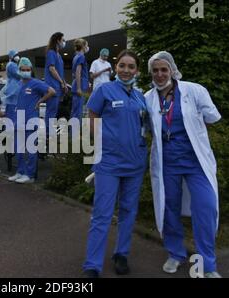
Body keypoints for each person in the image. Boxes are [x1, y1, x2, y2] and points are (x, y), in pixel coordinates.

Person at [145, 51, 222, 278]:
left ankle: (207, 264)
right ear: (151, 73)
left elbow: (212, 118)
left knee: (205, 207)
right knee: (169, 207)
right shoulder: (148, 97)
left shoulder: (194, 90)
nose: (160, 74)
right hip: (167, 161)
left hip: (195, 161)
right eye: (155, 71)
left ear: (172, 70)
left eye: (164, 70)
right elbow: (145, 129)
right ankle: (175, 253)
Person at [82, 50, 148, 278]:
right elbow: (91, 114)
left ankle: (121, 254)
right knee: (102, 214)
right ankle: (92, 265)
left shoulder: (141, 96)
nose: (126, 70)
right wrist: (100, 142)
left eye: (131, 66)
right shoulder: (105, 90)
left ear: (137, 70)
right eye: (122, 65)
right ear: (115, 67)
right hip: (108, 163)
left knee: (129, 211)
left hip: (135, 163)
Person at [8, 57, 55, 184]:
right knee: (19, 148)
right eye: (23, 69)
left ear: (31, 70)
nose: (25, 71)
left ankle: (30, 175)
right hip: (19, 119)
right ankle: (20, 171)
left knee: (30, 148)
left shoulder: (35, 83)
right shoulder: (19, 84)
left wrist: (39, 101)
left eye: (28, 69)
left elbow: (52, 91)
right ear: (19, 70)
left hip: (30, 119)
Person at [44, 32, 68, 138]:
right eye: (63, 40)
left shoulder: (58, 55)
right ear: (58, 40)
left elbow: (59, 71)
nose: (64, 42)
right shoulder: (51, 53)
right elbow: (52, 69)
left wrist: (64, 83)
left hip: (57, 87)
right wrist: (61, 82)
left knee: (53, 113)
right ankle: (47, 136)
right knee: (50, 112)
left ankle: (49, 136)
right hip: (52, 87)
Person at [71, 38, 90, 137]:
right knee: (77, 112)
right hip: (79, 87)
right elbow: (78, 72)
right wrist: (79, 87)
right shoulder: (81, 57)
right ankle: (74, 136)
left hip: (78, 85)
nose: (87, 47)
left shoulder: (76, 57)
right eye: (86, 45)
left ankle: (72, 135)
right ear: (83, 46)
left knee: (75, 111)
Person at [4, 50, 21, 126]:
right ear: (11, 57)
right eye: (15, 55)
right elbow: (20, 74)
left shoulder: (14, 65)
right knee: (12, 118)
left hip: (14, 94)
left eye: (17, 54)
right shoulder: (11, 65)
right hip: (12, 93)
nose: (17, 56)